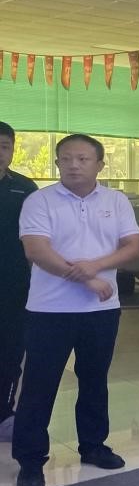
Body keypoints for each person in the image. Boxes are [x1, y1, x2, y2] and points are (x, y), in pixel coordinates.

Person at [13, 134, 139, 486]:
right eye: (66, 159)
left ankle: (94, 446)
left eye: (83, 159)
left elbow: (133, 246)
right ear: (57, 163)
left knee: (95, 380)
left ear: (100, 164)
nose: (74, 165)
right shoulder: (39, 201)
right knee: (39, 386)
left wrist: (95, 266)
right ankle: (30, 460)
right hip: (49, 310)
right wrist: (89, 279)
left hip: (102, 310)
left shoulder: (116, 201)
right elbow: (37, 251)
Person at [0, 121, 38, 442]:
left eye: (4, 146)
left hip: (14, 285)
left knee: (11, 351)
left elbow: (38, 236)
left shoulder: (25, 188)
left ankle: (3, 414)